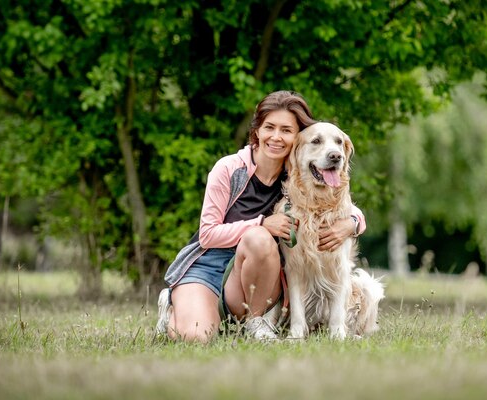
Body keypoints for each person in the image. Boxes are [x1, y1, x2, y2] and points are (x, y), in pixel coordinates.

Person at [156, 90, 366, 343]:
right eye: (269, 127)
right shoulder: (229, 169)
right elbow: (207, 234)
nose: (276, 137)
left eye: (286, 130)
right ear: (257, 131)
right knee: (195, 337)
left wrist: (352, 222)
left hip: (259, 272)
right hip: (208, 268)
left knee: (260, 241)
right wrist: (262, 223)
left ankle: (257, 323)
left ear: (297, 138)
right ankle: (172, 307)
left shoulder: (299, 174)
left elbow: (335, 204)